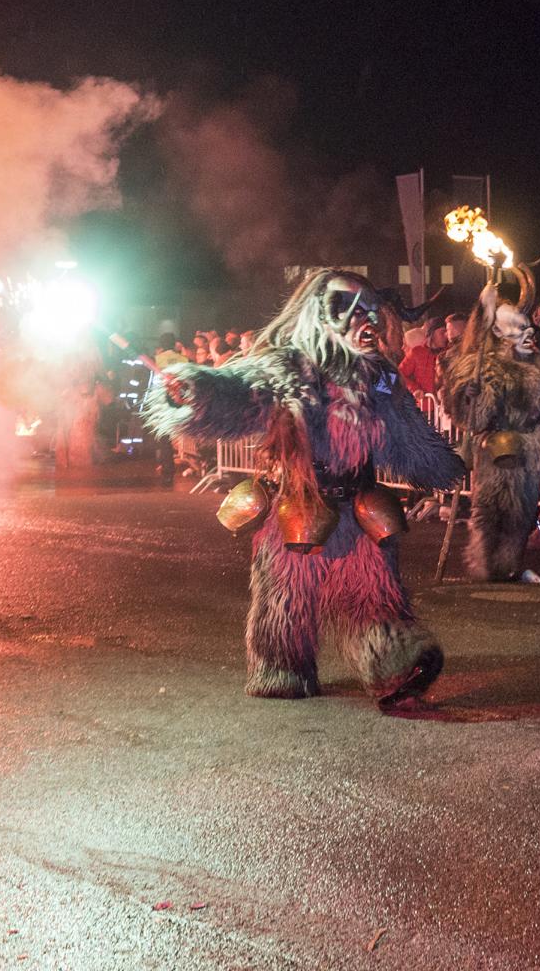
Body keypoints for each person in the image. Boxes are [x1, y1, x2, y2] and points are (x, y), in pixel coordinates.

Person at [141, 268, 466, 706]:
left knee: (374, 595)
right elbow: (241, 388)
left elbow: (406, 429)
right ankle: (282, 667)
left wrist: (440, 464)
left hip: (358, 508)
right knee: (287, 598)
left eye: (368, 309)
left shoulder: (379, 377)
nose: (362, 319)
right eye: (345, 308)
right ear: (317, 312)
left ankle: (395, 665)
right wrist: (196, 390)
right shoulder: (286, 365)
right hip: (296, 507)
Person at [441, 268, 540, 584]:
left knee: (521, 511)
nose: (526, 332)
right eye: (517, 327)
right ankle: (486, 566)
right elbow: (468, 415)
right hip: (494, 449)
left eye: (526, 326)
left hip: (529, 449)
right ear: (499, 331)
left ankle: (510, 564)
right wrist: (470, 395)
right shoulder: (480, 365)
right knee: (489, 509)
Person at [398, 325, 439, 398]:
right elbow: (399, 374)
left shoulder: (416, 353)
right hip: (424, 401)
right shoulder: (412, 357)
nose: (402, 348)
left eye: (405, 344)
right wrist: (414, 389)